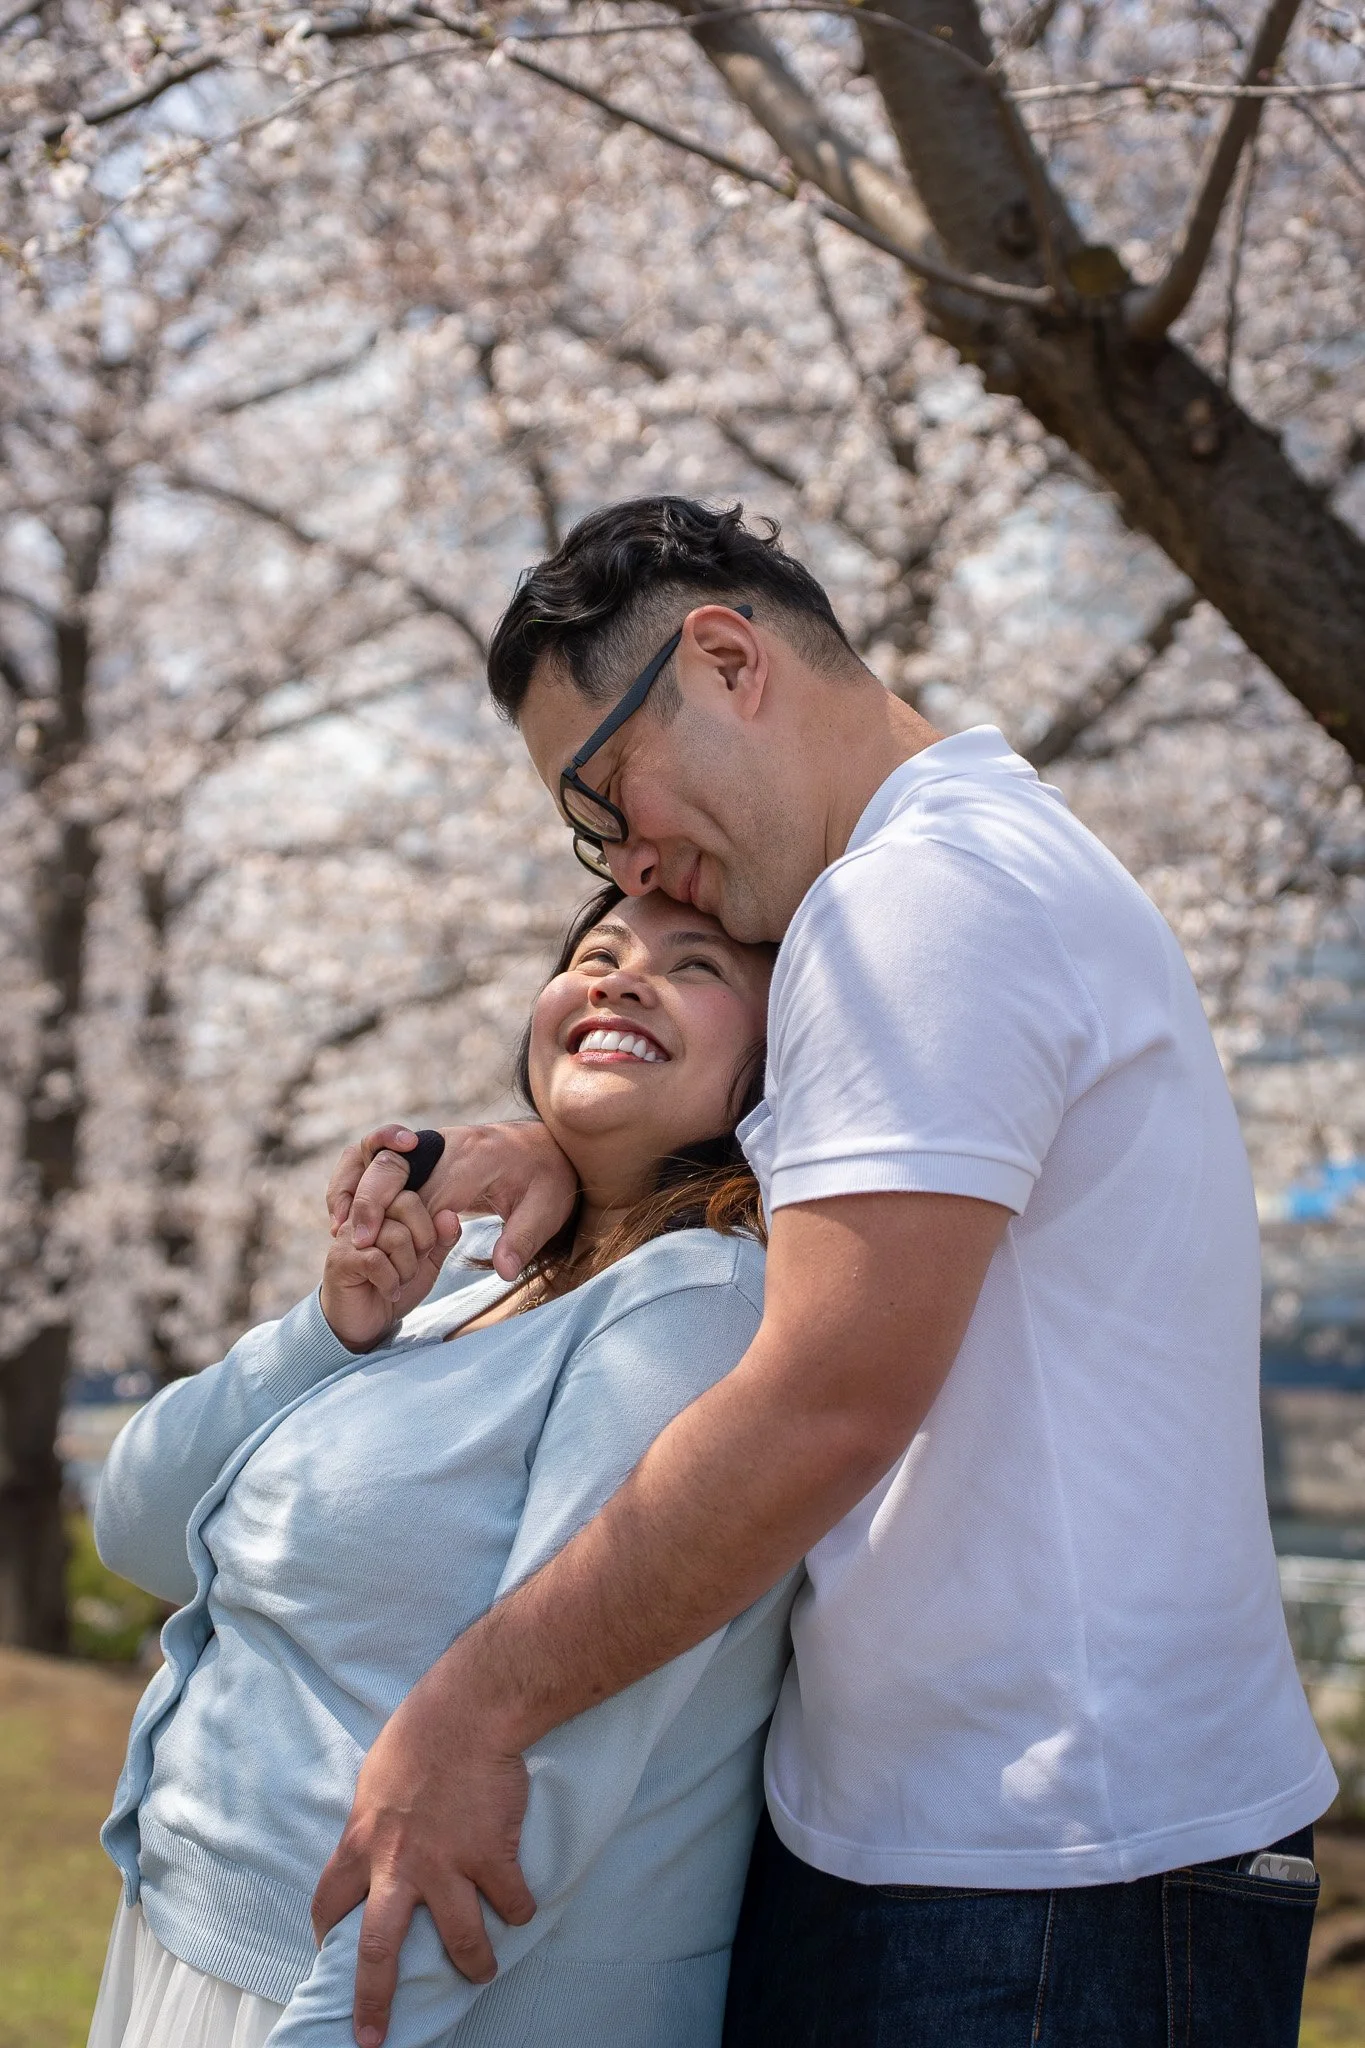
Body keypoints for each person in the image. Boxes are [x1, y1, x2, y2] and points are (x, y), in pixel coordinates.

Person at [318, 496, 1334, 2048]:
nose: (631, 863)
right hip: (968, 1853)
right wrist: (561, 1159)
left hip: (1046, 1871)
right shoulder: (962, 869)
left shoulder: (923, 897)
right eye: (592, 847)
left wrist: (475, 1709)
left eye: (610, 799)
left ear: (722, 659)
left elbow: (824, 1399)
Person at [89, 886, 798, 2048]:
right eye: (598, 950)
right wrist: (333, 1327)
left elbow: (549, 1765)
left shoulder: (698, 1303)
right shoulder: (474, 1279)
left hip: (373, 2007)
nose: (621, 976)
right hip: (190, 1947)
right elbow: (138, 1528)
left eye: (698, 965)